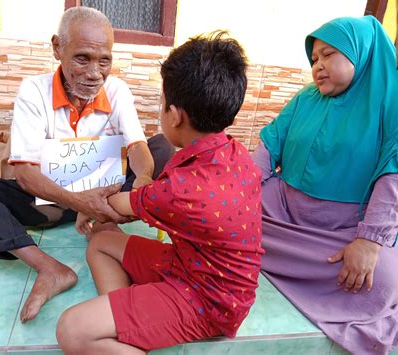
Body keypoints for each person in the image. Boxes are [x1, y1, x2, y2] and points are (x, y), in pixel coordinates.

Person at [0, 7, 174, 324]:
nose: (95, 73)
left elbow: (136, 147)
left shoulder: (117, 90)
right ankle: (50, 268)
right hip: (49, 202)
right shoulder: (33, 91)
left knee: (162, 147)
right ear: (57, 48)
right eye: (82, 58)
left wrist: (144, 177)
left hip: (105, 196)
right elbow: (25, 174)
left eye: (104, 60)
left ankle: (106, 222)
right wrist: (83, 203)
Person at [55, 31, 265, 354]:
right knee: (101, 242)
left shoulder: (181, 192)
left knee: (72, 330)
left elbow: (119, 206)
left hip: (207, 301)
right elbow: (143, 196)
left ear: (176, 114)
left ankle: (121, 329)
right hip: (194, 266)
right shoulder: (235, 154)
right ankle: (128, 325)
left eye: (162, 102)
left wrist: (86, 204)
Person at [252, 16, 398, 354]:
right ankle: (293, 261)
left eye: (328, 55)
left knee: (381, 276)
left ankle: (278, 257)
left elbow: (396, 180)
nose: (318, 66)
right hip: (286, 211)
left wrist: (369, 243)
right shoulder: (305, 99)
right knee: (234, 215)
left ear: (361, 52)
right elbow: (268, 146)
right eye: (314, 59)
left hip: (350, 229)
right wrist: (244, 191)